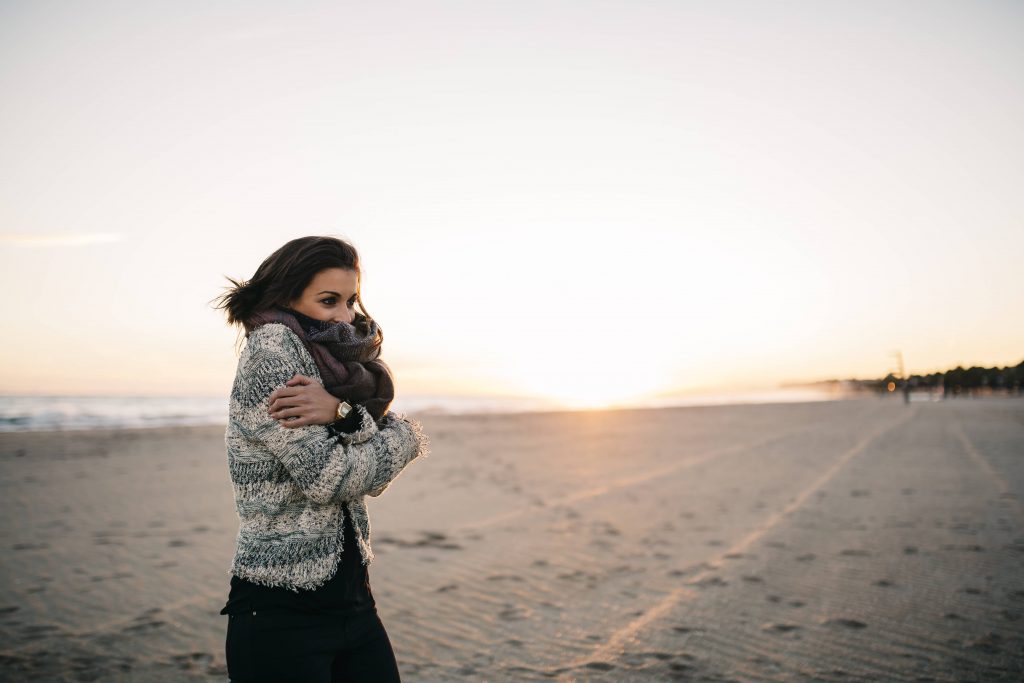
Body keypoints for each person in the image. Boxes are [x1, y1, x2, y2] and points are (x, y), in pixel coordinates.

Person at [213, 236, 429, 682]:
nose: (347, 317)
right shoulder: (273, 351)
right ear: (286, 296)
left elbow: (364, 470)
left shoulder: (325, 361)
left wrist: (344, 413)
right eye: (329, 300)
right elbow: (333, 478)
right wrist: (405, 436)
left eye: (351, 300)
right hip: (281, 611)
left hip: (353, 600)